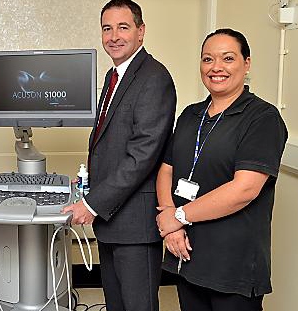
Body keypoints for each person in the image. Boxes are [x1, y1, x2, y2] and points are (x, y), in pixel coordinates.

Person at [156, 28, 288, 311]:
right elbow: (167, 169)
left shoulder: (263, 118)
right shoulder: (191, 115)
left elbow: (244, 189)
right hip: (188, 257)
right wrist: (170, 223)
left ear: (246, 63)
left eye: (228, 58)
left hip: (233, 268)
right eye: (207, 59)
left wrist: (178, 215)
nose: (216, 67)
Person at [61, 1, 177, 310]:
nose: (114, 36)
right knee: (116, 305)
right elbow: (113, 142)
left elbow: (142, 155)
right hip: (113, 222)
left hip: (135, 226)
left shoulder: (154, 78)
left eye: (123, 27)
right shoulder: (116, 76)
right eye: (107, 28)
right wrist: (91, 181)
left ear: (141, 31)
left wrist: (91, 202)